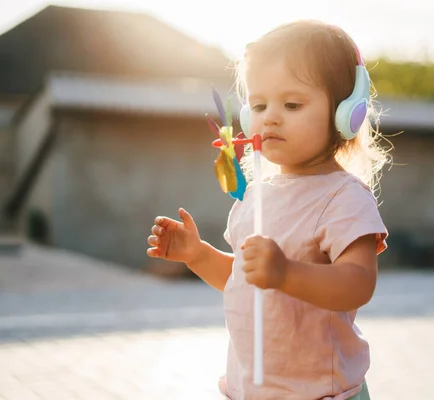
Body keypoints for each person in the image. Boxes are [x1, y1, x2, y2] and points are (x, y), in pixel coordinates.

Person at [147, 20, 392, 400]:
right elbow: (246, 277)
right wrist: (197, 255)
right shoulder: (256, 195)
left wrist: (287, 272)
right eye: (258, 105)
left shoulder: (344, 197)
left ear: (346, 112)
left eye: (292, 104)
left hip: (320, 394)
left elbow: (358, 283)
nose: (270, 117)